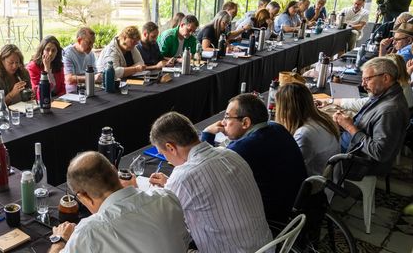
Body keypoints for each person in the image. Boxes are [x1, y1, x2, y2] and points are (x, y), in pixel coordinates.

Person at [143, 112, 272, 253]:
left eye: (163, 154)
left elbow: (160, 225)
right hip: (267, 247)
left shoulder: (183, 178)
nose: (166, 157)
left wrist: (132, 191)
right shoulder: (231, 154)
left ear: (171, 148)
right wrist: (171, 185)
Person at [48, 151, 190, 253]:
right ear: (115, 171)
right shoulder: (166, 197)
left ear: (83, 197)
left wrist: (59, 240)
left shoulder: (89, 232)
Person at [201, 94, 307, 224]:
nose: (223, 122)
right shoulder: (277, 127)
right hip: (299, 206)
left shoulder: (243, 148)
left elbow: (205, 171)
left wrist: (207, 134)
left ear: (245, 122)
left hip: (272, 218)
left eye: (227, 117)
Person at [333, 57, 409, 176]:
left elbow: (380, 153)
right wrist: (344, 124)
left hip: (355, 162)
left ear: (385, 78)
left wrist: (349, 127)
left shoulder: (390, 111)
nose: (363, 84)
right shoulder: (382, 94)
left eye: (367, 79)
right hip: (347, 145)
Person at [275, 82, 340, 176]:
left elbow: (289, 168)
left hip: (314, 186)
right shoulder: (323, 119)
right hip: (329, 180)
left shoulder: (303, 133)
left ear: (286, 109)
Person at [62, 27, 97, 93]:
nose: (91, 47)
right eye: (88, 43)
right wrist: (90, 78)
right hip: (72, 93)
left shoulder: (91, 54)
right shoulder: (67, 54)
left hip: (88, 90)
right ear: (79, 40)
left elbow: (95, 73)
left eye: (92, 43)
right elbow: (69, 79)